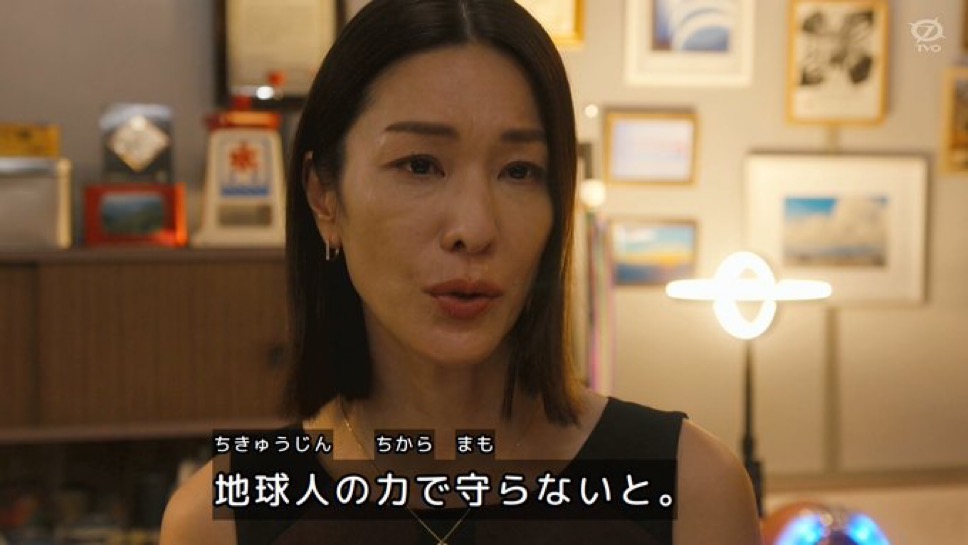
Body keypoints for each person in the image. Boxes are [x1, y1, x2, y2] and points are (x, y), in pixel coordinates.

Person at [160, 1, 761, 543]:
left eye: (519, 171)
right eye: (420, 165)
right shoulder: (222, 519)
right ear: (325, 196)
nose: (474, 228)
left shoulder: (690, 489)